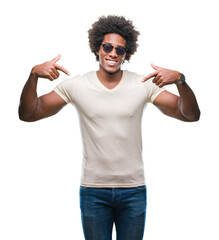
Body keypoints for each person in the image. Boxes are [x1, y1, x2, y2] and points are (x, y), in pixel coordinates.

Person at [19, 15, 200, 240]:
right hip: (93, 191)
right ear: (97, 48)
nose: (113, 54)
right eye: (107, 47)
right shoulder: (77, 85)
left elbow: (190, 115)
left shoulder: (143, 84)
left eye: (120, 50)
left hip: (134, 190)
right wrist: (33, 75)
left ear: (127, 54)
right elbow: (28, 114)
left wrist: (180, 80)